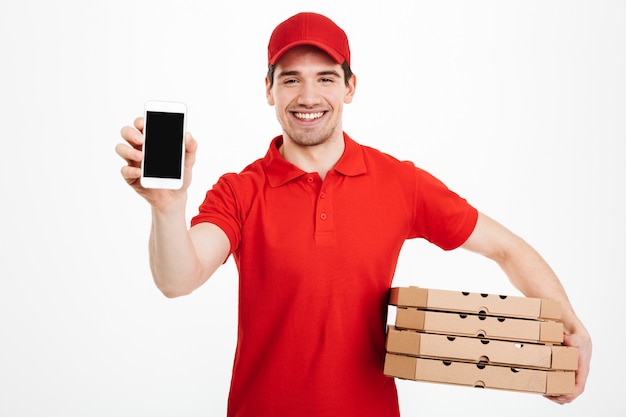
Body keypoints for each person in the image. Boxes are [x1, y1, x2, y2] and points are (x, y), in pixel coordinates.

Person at [116, 12, 591, 417]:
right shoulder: (241, 191)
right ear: (268, 90)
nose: (308, 96)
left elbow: (505, 248)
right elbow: (178, 278)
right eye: (290, 79)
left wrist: (573, 328)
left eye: (325, 77)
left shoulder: (400, 183)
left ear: (350, 87)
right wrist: (168, 206)